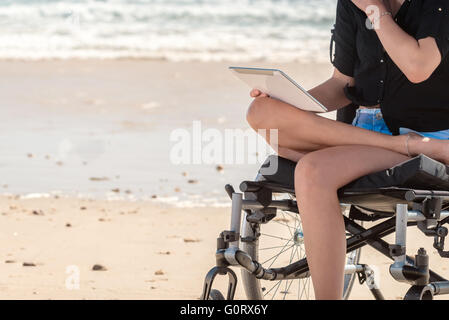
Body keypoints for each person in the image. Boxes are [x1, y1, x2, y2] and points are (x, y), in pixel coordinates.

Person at [246, 0, 449, 299]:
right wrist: (291, 102)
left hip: (424, 133)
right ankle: (403, 147)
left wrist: (374, 10)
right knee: (261, 112)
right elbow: (342, 83)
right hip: (368, 135)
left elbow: (418, 67)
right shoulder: (350, 4)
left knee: (313, 171)